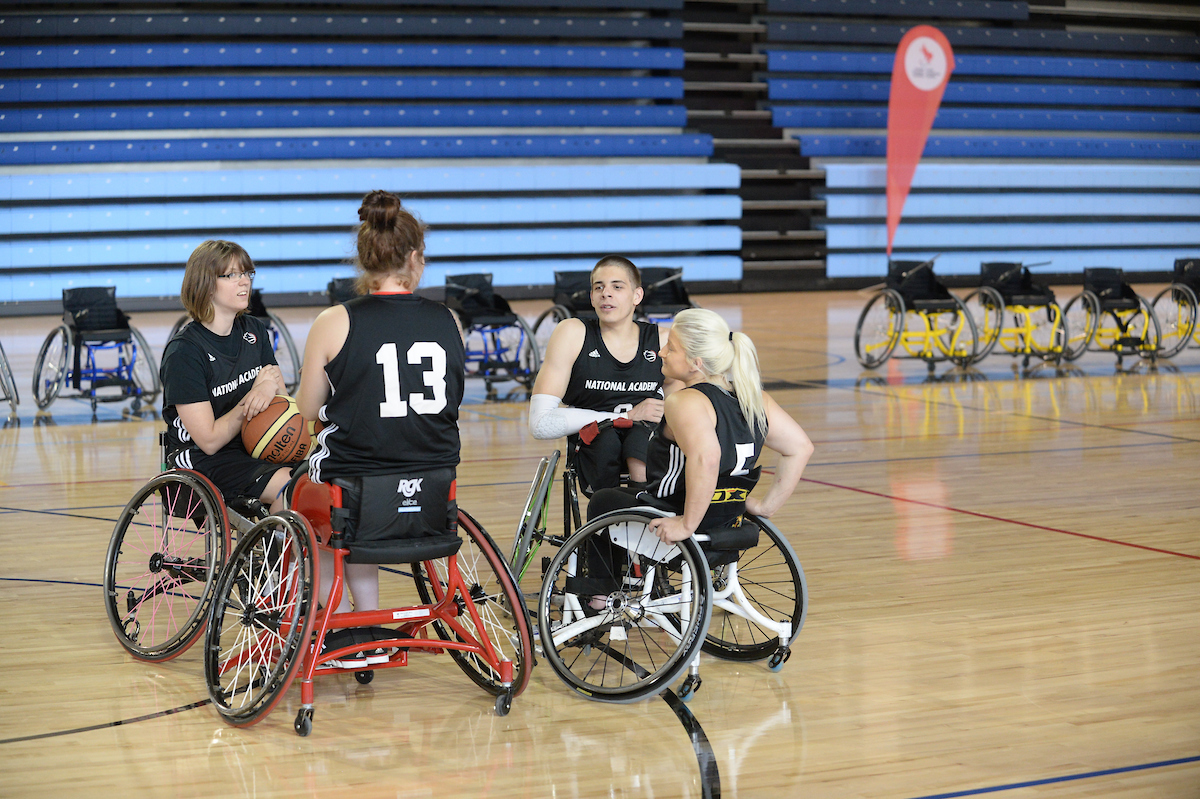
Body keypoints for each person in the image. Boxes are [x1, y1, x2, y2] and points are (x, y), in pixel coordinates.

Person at [297, 190, 465, 667]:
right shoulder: (448, 319)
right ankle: (367, 620)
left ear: (364, 258)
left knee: (315, 511)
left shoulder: (335, 321)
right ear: (415, 258)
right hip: (434, 489)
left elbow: (309, 408)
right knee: (359, 509)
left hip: (356, 484)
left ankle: (329, 627)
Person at [588, 307, 814, 544]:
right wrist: (766, 506)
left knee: (602, 500)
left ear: (695, 363)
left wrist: (687, 524)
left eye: (671, 348)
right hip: (728, 515)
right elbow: (800, 447)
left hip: (679, 509)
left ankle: (601, 580)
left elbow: (707, 458)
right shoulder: (754, 398)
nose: (661, 352)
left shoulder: (685, 400)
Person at [160, 240, 293, 514]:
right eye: (232, 275)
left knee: (318, 474)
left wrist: (268, 389)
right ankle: (281, 555)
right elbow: (209, 440)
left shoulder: (254, 330)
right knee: (289, 487)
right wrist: (253, 397)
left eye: (247, 273)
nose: (244, 282)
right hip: (200, 459)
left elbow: (280, 395)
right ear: (206, 283)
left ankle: (290, 551)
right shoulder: (184, 352)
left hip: (250, 445)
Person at [528, 255, 669, 493]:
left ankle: (645, 516)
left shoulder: (663, 340)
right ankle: (608, 521)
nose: (606, 293)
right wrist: (626, 416)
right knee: (607, 442)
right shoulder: (572, 333)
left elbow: (688, 402)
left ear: (637, 296)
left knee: (642, 441)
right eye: (599, 287)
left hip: (646, 442)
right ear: (592, 297)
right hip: (595, 444)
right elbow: (540, 423)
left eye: (617, 286)